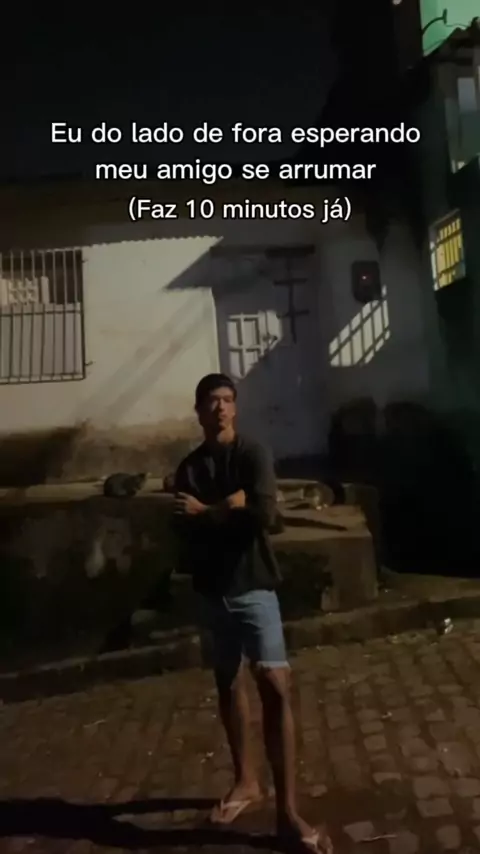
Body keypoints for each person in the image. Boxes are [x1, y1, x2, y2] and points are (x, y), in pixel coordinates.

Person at [172, 373, 332, 854]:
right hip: (212, 593)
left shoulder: (253, 454)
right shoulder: (189, 468)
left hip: (255, 588)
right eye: (211, 401)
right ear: (199, 411)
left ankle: (287, 813)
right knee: (227, 683)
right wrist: (230, 506)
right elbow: (185, 532)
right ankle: (246, 781)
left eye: (227, 400)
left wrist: (210, 511)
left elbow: (265, 515)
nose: (220, 408)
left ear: (235, 408)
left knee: (275, 686)